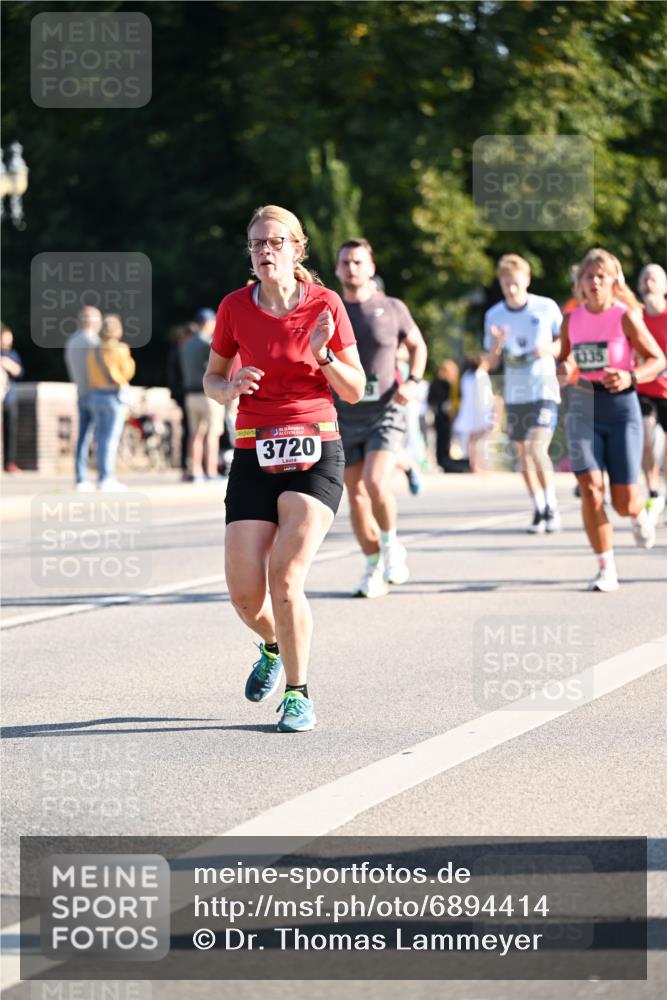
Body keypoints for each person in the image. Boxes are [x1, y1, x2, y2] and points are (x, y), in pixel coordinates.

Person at [203, 205, 364, 733]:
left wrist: (324, 356)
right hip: (253, 451)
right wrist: (228, 389)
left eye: (275, 242)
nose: (265, 252)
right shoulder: (233, 308)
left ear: (298, 248)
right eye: (256, 244)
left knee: (286, 577)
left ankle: (299, 693)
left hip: (315, 450)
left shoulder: (325, 304)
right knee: (245, 594)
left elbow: (355, 389)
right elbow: (212, 377)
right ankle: (272, 647)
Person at [557, 248, 665, 591]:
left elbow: (657, 358)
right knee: (590, 489)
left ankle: (639, 512)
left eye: (602, 276)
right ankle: (606, 567)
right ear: (581, 282)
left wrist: (631, 377)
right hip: (584, 406)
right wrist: (565, 369)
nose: (595, 282)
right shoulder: (571, 319)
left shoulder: (626, 316)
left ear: (613, 281)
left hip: (621, 410)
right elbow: (566, 361)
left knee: (623, 502)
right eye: (589, 276)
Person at [334, 239, 428, 598]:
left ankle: (391, 546)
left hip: (386, 410)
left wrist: (414, 382)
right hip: (344, 412)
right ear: (337, 270)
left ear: (371, 267)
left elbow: (418, 345)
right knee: (355, 498)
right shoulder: (331, 308)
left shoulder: (391, 307)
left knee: (375, 483)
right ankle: (372, 566)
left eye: (358, 261)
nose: (352, 268)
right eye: (345, 263)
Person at [484, 254, 563, 532]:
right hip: (515, 392)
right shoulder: (494, 315)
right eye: (506, 284)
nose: (512, 289)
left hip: (544, 387)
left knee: (536, 447)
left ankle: (552, 505)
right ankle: (539, 507)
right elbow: (491, 364)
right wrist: (496, 345)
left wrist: (549, 350)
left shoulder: (546, 307)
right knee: (522, 455)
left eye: (516, 283)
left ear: (527, 280)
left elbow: (564, 342)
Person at [87, 314, 136, 491]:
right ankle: (107, 477)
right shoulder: (120, 349)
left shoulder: (93, 349)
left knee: (100, 438)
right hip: (113, 396)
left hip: (95, 395)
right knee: (111, 439)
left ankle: (101, 475)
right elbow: (128, 372)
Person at [636, 263, 667, 524]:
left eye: (653, 278)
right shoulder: (635, 318)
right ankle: (653, 493)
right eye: (644, 278)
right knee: (647, 434)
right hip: (644, 388)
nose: (648, 282)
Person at [181, 308, 224, 481]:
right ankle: (211, 471)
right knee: (212, 433)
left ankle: (195, 470)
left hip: (190, 394)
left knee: (195, 434)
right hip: (207, 395)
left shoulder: (186, 344)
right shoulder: (208, 343)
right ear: (208, 323)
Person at [64, 305, 103, 492]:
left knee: (83, 438)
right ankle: (104, 477)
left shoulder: (72, 341)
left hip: (81, 393)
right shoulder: (95, 343)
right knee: (102, 438)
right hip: (97, 394)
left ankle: (81, 477)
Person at [453, 354, 494, 473]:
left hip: (468, 410)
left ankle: (474, 464)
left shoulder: (466, 376)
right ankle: (480, 465)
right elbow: (484, 396)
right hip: (480, 411)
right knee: (480, 440)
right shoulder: (481, 375)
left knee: (472, 440)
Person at [166, 323, 194, 481]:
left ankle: (186, 465)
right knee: (189, 431)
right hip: (184, 395)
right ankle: (186, 466)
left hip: (182, 395)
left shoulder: (178, 351)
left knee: (189, 431)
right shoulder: (180, 352)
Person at [428, 359, 460, 472]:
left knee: (442, 439)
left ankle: (442, 460)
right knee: (444, 439)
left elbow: (430, 400)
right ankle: (444, 460)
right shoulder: (447, 384)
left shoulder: (437, 383)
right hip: (444, 415)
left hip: (440, 415)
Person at [1, 324, 24, 473]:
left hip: (9, 397)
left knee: (11, 430)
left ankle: (9, 463)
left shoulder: (13, 354)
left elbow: (20, 372)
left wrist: (9, 366)